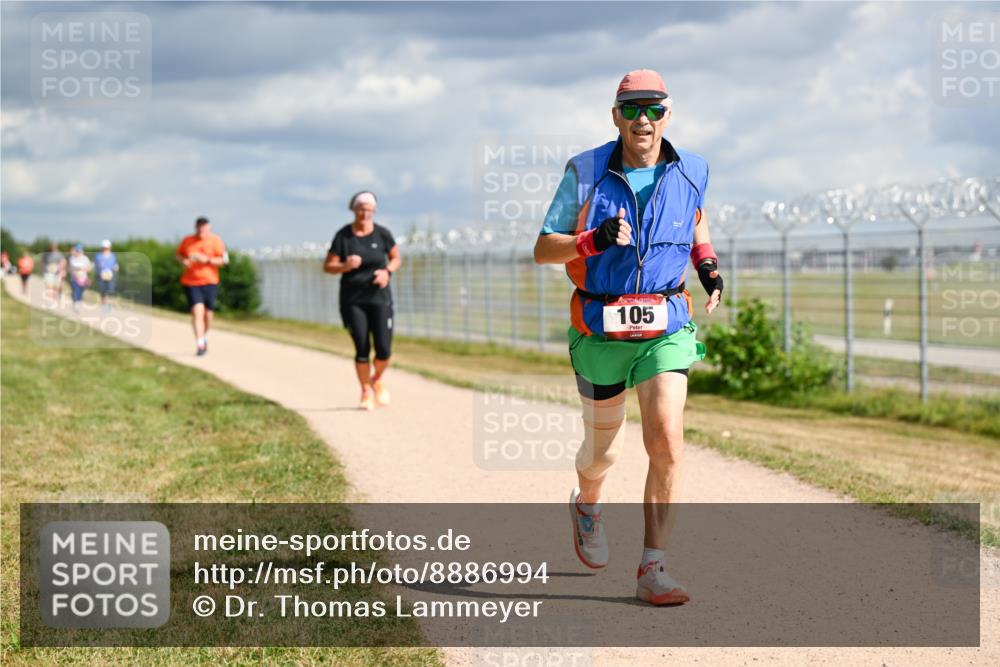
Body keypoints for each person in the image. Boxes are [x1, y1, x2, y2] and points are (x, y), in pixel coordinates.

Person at [533, 70, 723, 606]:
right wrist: (590, 240)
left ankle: (652, 568)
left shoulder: (694, 169)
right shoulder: (586, 171)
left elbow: (695, 223)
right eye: (633, 108)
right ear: (615, 114)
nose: (644, 120)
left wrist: (707, 267)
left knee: (665, 439)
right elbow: (544, 249)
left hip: (665, 325)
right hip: (600, 329)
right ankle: (588, 503)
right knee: (601, 454)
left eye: (654, 109)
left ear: (668, 113)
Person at [323, 191, 401, 411]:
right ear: (354, 209)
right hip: (352, 299)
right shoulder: (344, 236)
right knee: (362, 347)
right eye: (361, 208)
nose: (365, 213)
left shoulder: (383, 234)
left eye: (369, 209)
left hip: (379, 298)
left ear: (373, 211)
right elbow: (328, 266)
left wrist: (387, 271)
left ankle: (376, 379)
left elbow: (396, 258)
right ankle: (365, 390)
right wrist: (345, 266)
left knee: (384, 349)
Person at [176, 217, 228, 356]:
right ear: (196, 227)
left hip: (210, 281)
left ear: (208, 228)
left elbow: (224, 260)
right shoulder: (187, 241)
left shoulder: (216, 241)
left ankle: (204, 336)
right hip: (191, 282)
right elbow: (178, 255)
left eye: (204, 227)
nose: (201, 230)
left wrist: (207, 260)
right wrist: (184, 261)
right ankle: (200, 343)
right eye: (199, 227)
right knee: (197, 311)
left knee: (208, 314)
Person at [95, 240, 120, 310]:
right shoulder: (98, 256)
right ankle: (103, 303)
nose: (105, 249)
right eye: (104, 247)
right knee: (102, 290)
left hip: (111, 275)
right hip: (102, 275)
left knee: (110, 290)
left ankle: (109, 305)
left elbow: (115, 264)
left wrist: (116, 267)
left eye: (107, 248)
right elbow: (97, 265)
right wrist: (100, 272)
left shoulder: (113, 256)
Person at [67, 244, 92, 312]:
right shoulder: (72, 258)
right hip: (74, 278)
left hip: (83, 278)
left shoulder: (85, 258)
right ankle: (75, 303)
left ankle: (78, 302)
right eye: (78, 250)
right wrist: (76, 270)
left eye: (80, 250)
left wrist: (84, 269)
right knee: (75, 290)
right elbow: (70, 268)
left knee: (81, 291)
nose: (79, 252)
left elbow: (89, 268)